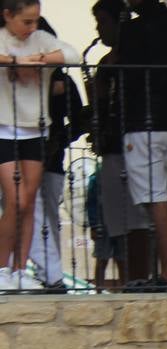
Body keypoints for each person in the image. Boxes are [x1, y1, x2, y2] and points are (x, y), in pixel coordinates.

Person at [0, 0, 78, 291]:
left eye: (36, 21)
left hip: (35, 129)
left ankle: (20, 270)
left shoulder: (41, 39)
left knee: (29, 202)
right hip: (4, 129)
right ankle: (2, 267)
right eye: (26, 22)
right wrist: (15, 62)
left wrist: (43, 59)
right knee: (16, 200)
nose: (32, 28)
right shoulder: (2, 38)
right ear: (8, 15)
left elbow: (74, 54)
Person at [118, 0, 167, 287]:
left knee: (156, 198)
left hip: (143, 122)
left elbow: (127, 73)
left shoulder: (133, 30)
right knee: (159, 195)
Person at [86, 0, 145, 286]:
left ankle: (139, 276)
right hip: (111, 143)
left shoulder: (134, 57)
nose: (100, 30)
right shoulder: (104, 62)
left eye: (103, 23)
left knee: (137, 216)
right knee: (117, 219)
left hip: (132, 138)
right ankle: (128, 280)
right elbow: (98, 102)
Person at [29, 17, 83, 292]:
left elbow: (80, 116)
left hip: (50, 156)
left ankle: (50, 274)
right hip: (27, 152)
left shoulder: (61, 80)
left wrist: (59, 138)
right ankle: (46, 273)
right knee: (28, 211)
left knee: (43, 214)